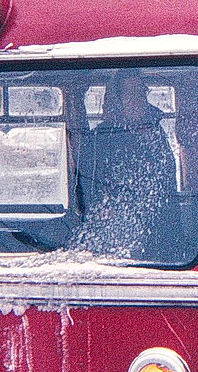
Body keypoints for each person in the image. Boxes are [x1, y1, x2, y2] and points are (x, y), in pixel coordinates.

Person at [71, 71, 178, 261]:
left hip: (164, 234)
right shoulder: (101, 139)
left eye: (141, 92)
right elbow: (86, 191)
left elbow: (167, 182)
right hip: (117, 238)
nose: (138, 100)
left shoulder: (156, 131)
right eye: (131, 95)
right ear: (116, 102)